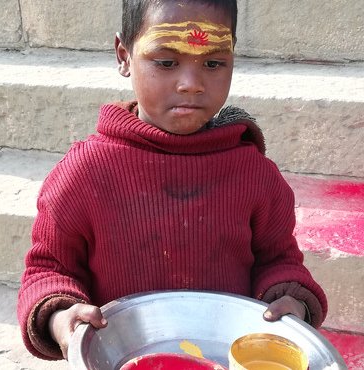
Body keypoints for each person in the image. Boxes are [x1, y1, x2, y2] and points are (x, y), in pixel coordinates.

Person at [17, 0, 327, 361]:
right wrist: (60, 317)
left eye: (213, 63)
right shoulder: (85, 173)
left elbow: (279, 261)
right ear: (124, 56)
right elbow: (48, 269)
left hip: (225, 357)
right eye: (166, 62)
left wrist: (291, 304)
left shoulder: (255, 175)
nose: (191, 84)